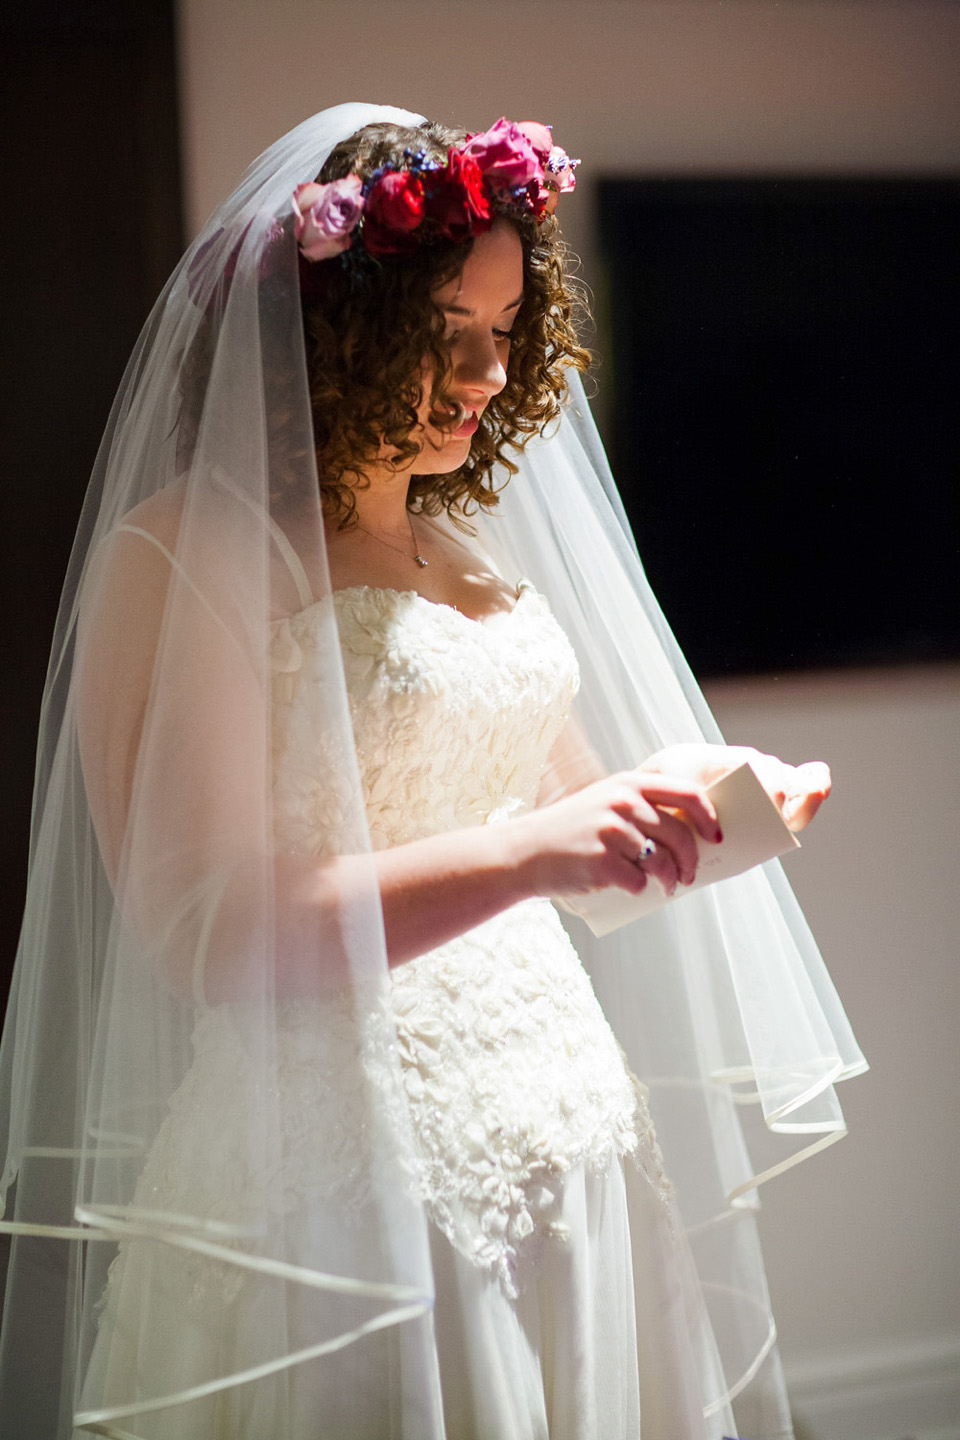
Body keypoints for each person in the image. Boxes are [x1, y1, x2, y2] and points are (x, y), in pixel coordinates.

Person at [0, 104, 865, 1439]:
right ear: (333, 332)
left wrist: (707, 802)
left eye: (503, 332)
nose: (479, 375)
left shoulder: (458, 546)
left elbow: (580, 848)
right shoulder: (191, 552)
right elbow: (206, 932)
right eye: (440, 336)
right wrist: (535, 855)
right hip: (340, 1184)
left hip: (567, 1133)